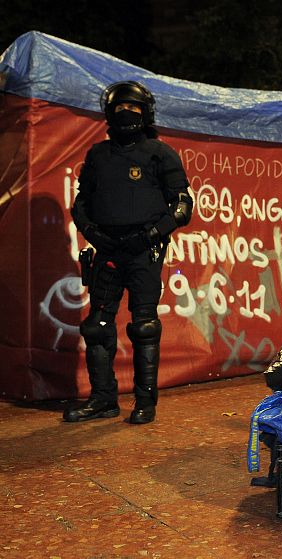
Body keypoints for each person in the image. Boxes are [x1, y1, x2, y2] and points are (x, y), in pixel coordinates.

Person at [64, 81, 193, 424]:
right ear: (108, 112)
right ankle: (103, 399)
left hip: (144, 250)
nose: (126, 113)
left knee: (145, 326)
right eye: (120, 107)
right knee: (96, 325)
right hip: (106, 247)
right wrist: (92, 232)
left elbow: (182, 205)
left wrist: (151, 234)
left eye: (133, 108)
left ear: (146, 113)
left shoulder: (160, 152)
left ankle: (145, 402)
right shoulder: (98, 154)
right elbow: (81, 203)